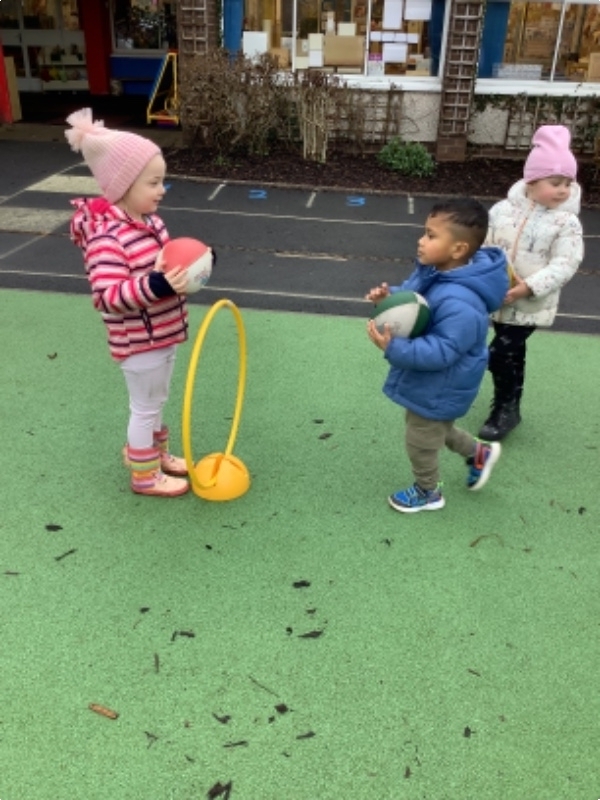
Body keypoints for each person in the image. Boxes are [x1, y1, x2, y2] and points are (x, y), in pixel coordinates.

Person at [66, 108, 211, 497]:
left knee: (156, 400)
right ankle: (144, 475)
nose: (162, 190)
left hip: (163, 332)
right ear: (123, 185)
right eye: (153, 182)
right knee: (144, 407)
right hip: (138, 342)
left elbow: (170, 264)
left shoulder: (152, 223)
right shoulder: (107, 238)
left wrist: (198, 263)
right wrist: (157, 285)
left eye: (162, 181)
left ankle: (153, 454)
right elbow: (107, 297)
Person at [366, 198, 508, 513]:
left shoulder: (462, 302)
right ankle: (478, 453)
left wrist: (393, 347)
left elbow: (442, 351)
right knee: (435, 428)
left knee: (420, 438)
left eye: (431, 235)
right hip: (435, 383)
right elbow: (416, 301)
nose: (421, 240)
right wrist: (389, 300)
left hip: (442, 383)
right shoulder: (437, 271)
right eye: (424, 232)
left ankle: (428, 491)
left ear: (458, 249)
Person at [479, 124, 584, 441]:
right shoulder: (502, 210)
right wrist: (484, 276)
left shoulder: (566, 222)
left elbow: (566, 262)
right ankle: (509, 405)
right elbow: (484, 246)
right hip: (498, 297)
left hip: (529, 303)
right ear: (532, 181)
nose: (564, 190)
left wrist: (529, 287)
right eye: (556, 183)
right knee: (512, 354)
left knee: (499, 353)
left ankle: (505, 408)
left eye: (568, 183)